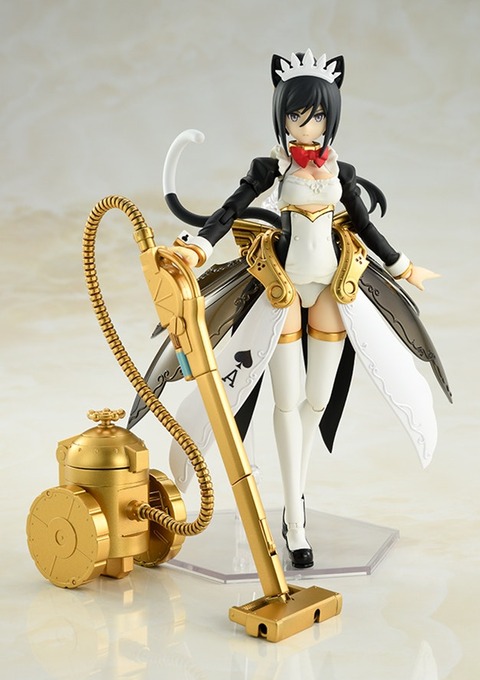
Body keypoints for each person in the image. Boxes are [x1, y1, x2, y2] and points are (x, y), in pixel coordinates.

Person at [165, 50, 444, 568]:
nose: (307, 125)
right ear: (282, 116)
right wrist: (199, 247)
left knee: (316, 401)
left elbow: (365, 227)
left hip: (335, 289)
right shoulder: (270, 168)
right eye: (297, 115)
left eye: (317, 116)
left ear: (330, 118)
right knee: (286, 402)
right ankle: (294, 517)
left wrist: (404, 267)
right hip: (284, 291)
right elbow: (228, 211)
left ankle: (298, 492)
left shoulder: (341, 171)